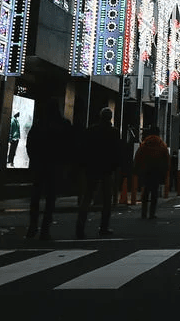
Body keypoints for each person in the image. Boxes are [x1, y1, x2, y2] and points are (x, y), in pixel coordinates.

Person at [26, 99, 72, 240]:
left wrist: (34, 159)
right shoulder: (64, 125)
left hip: (39, 165)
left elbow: (30, 144)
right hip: (55, 166)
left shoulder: (39, 124)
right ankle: (45, 228)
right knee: (50, 198)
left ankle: (33, 226)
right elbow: (68, 146)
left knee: (35, 197)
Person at [75, 107, 120, 239]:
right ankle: (104, 227)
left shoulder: (91, 130)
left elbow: (83, 148)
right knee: (107, 199)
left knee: (87, 197)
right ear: (110, 118)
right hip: (107, 168)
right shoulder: (114, 132)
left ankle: (80, 227)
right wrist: (116, 167)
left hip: (91, 167)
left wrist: (82, 165)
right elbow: (117, 151)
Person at [134, 125, 171, 219]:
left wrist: (137, 169)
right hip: (157, 171)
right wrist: (165, 171)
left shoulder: (145, 143)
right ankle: (152, 213)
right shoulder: (161, 144)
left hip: (146, 170)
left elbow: (138, 156)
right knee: (154, 193)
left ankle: (143, 212)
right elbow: (166, 158)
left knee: (145, 192)